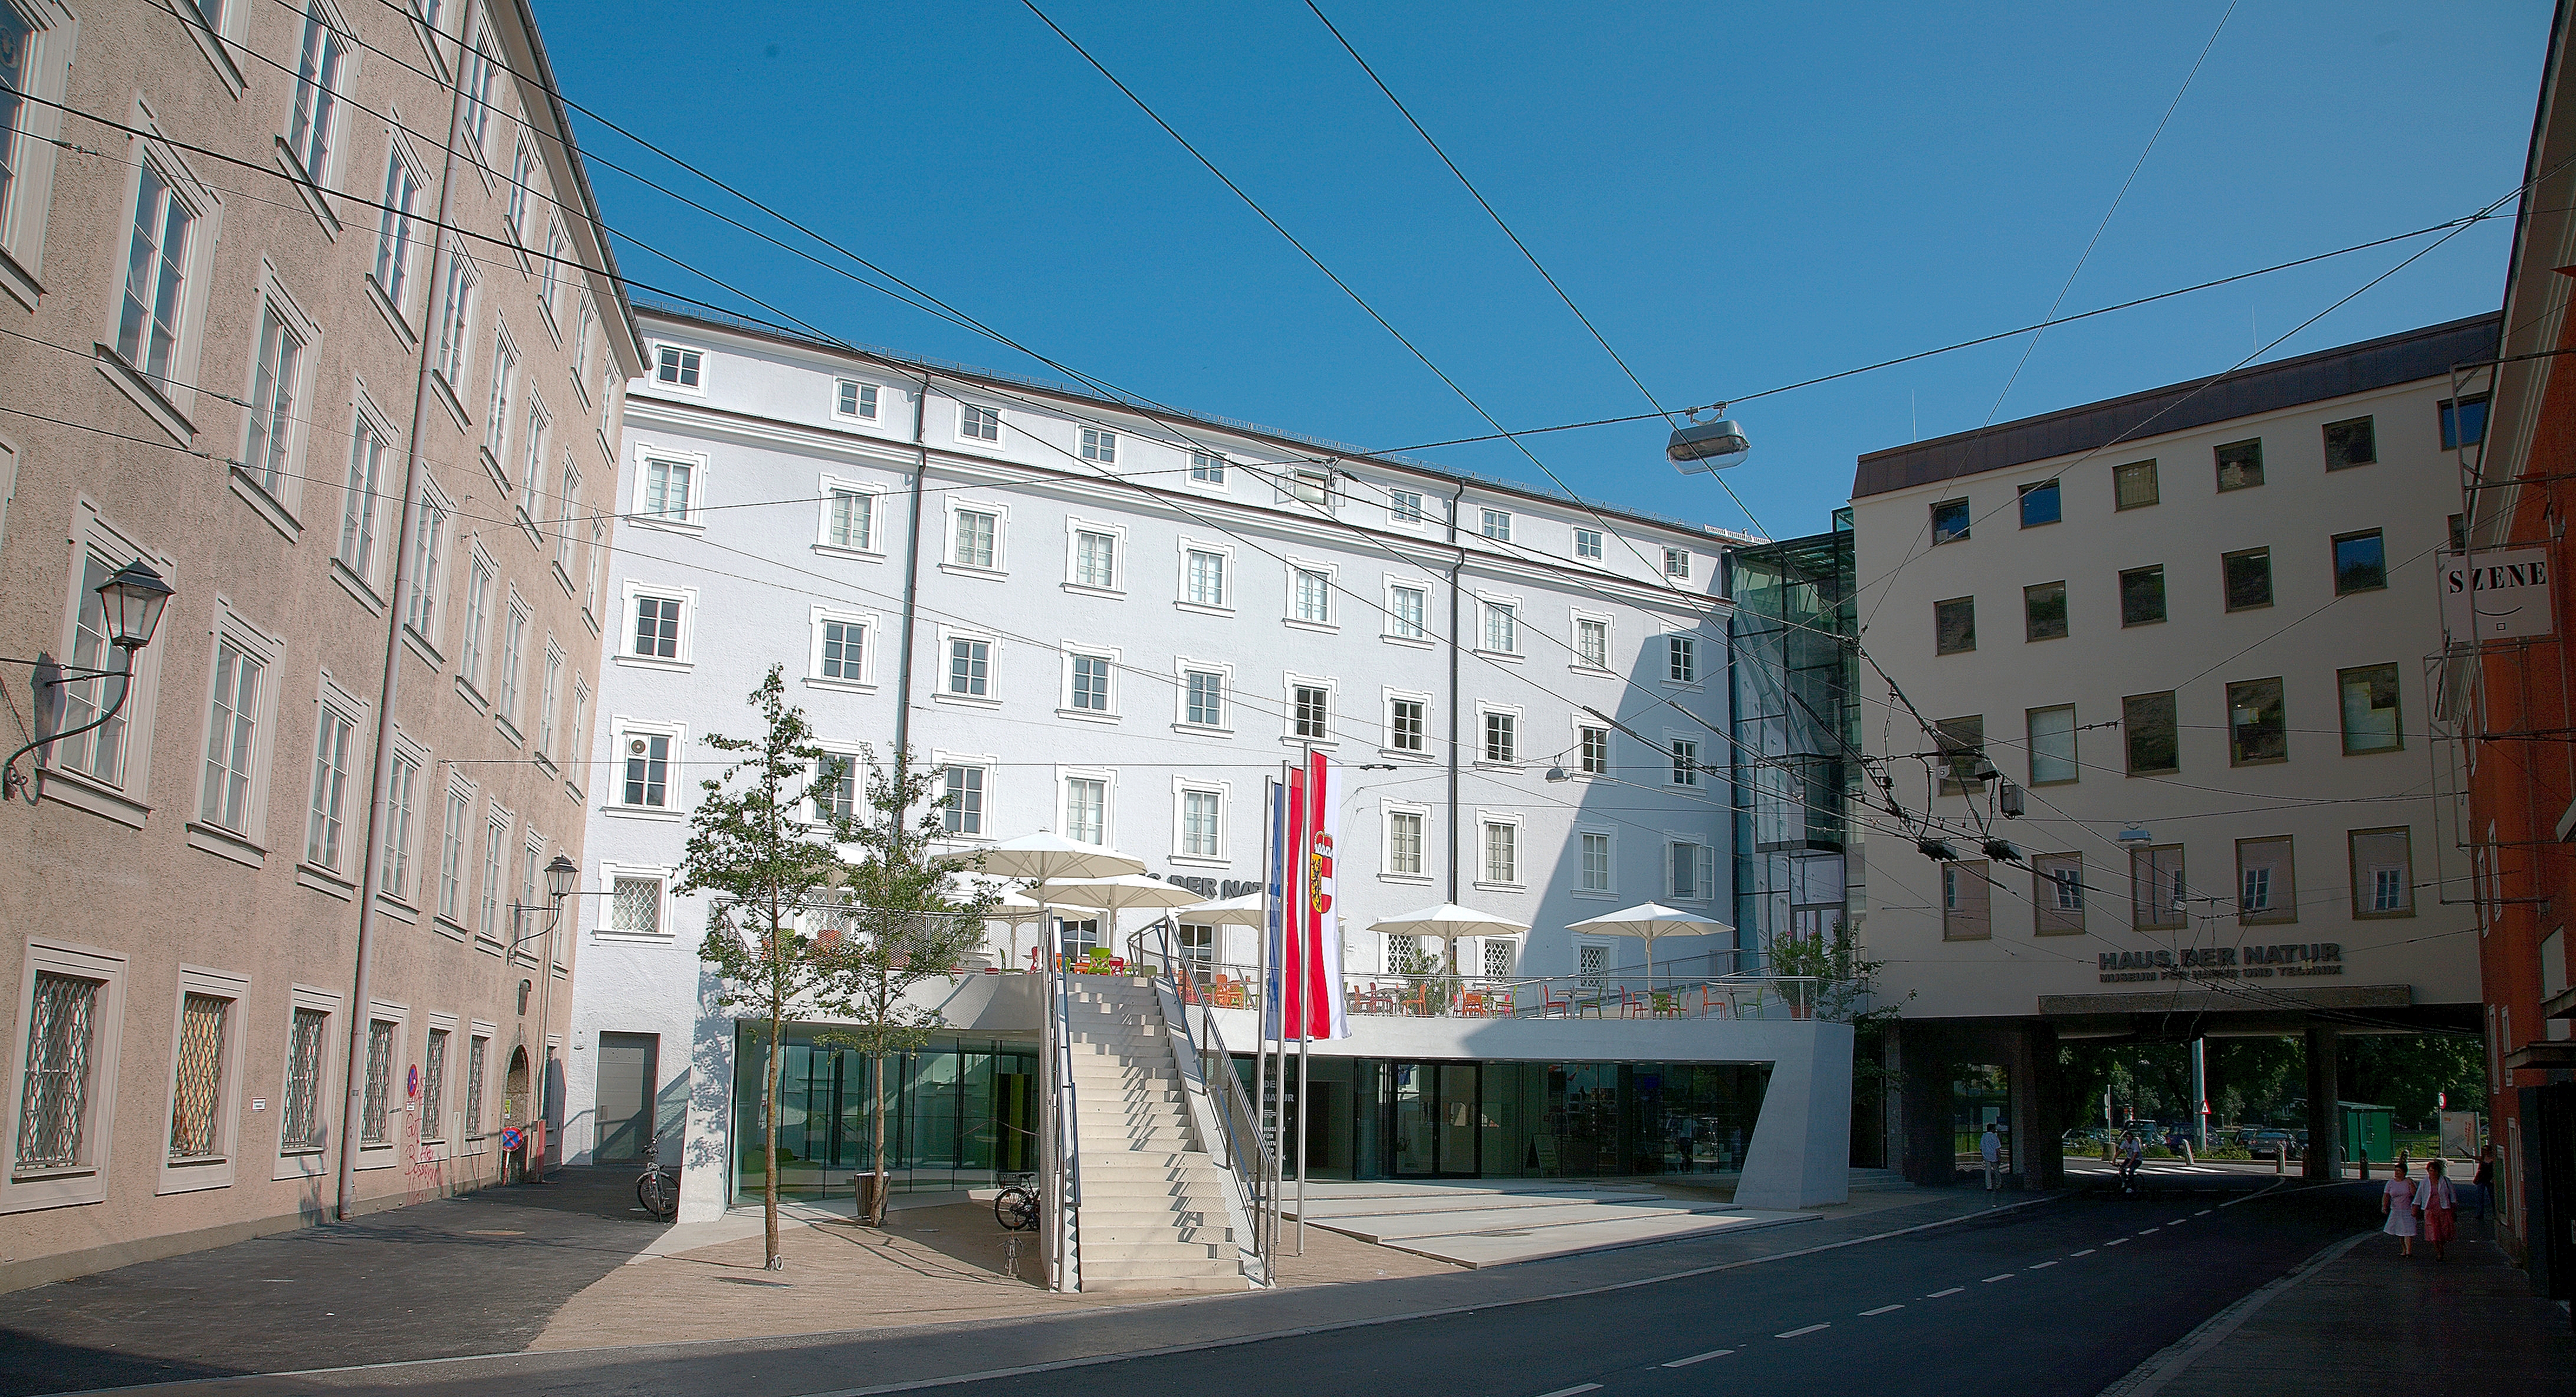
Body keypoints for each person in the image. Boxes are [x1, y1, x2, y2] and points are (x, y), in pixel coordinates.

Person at [2416, 1158, 2460, 1261]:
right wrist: (2416, 1206)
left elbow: (2452, 1195)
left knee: (2445, 1232)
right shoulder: (2424, 1182)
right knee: (2433, 1232)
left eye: (2434, 1170)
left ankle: (2442, 1245)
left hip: (2444, 1209)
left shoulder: (2445, 1181)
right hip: (2430, 1210)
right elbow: (2419, 1195)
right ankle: (2439, 1252)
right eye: (2430, 1170)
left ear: (2438, 1171)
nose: (2432, 1173)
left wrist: (2454, 1207)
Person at [2381, 1159, 2418, 1257]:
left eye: (2399, 1171)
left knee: (2408, 1231)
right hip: (2396, 1210)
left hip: (2407, 1210)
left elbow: (2415, 1194)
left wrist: (2410, 1183)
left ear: (2404, 1173)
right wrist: (2384, 1207)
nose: (2397, 1173)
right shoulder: (2390, 1183)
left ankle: (2409, 1251)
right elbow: (2386, 1195)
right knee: (2400, 1231)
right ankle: (2404, 1250)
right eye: (2396, 1171)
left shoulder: (2409, 1182)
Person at [2474, 1146, 2496, 1222]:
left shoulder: (2493, 1160)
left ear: (2489, 1151)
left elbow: (2495, 1170)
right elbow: (2471, 1157)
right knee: (2480, 1197)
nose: (2484, 1151)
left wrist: (2494, 1178)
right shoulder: (2482, 1159)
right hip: (2482, 1180)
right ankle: (2480, 1214)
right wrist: (2462, 1150)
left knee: (2492, 1197)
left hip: (2489, 1180)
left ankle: (2496, 1213)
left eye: (2485, 1150)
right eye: (2483, 1150)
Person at [1980, 1122, 2003, 1193]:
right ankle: (1998, 1184)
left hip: (1986, 1156)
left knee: (1988, 1171)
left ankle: (1989, 1186)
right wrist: (1999, 1157)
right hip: (1993, 1156)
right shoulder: (1994, 1137)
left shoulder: (1984, 1136)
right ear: (1992, 1129)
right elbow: (1997, 1148)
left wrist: (1983, 1153)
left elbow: (1981, 1147)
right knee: (1996, 1171)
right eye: (1994, 1128)